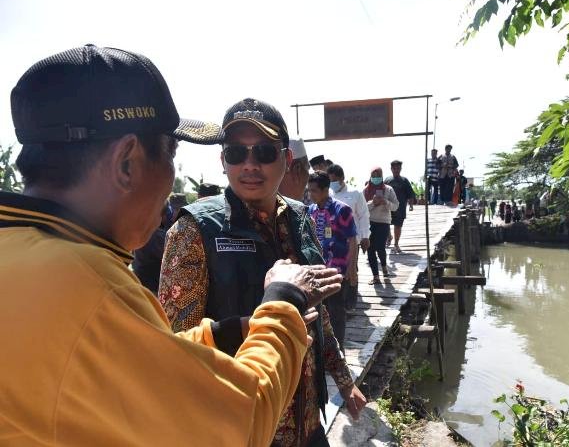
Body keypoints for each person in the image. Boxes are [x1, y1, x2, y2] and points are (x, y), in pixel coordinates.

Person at [0, 44, 343, 447]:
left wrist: (221, 333)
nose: (250, 165)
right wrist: (283, 300)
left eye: (265, 153)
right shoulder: (93, 287)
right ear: (128, 162)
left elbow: (141, 357)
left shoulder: (29, 258)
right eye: (171, 155)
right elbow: (238, 423)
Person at [159, 98, 366, 446]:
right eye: (237, 153)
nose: (250, 165)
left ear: (286, 160)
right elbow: (177, 348)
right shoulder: (194, 230)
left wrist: (344, 380)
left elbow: (317, 312)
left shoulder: (300, 218)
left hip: (308, 420)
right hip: (244, 426)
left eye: (264, 153)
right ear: (223, 160)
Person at [307, 171, 358, 350]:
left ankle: (339, 350)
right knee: (319, 313)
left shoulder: (342, 210)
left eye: (313, 191)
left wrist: (352, 270)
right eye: (309, 190)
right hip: (316, 272)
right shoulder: (311, 210)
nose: (310, 194)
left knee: (336, 312)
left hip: (337, 271)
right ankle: (323, 352)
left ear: (325, 190)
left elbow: (353, 240)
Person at [327, 164, 370, 311]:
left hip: (352, 239)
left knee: (352, 269)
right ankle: (341, 301)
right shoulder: (329, 195)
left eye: (335, 180)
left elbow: (364, 215)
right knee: (337, 270)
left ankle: (351, 300)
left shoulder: (355, 193)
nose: (332, 183)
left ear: (342, 178)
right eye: (330, 180)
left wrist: (365, 236)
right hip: (334, 241)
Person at [363, 167, 399, 284]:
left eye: (378, 175)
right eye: (373, 176)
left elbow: (396, 206)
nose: (376, 178)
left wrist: (386, 202)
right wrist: (373, 203)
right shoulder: (365, 190)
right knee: (370, 249)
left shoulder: (388, 190)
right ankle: (375, 276)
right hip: (369, 222)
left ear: (382, 176)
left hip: (384, 222)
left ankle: (383, 266)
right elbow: (362, 209)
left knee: (380, 247)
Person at [385, 160, 415, 254]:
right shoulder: (387, 180)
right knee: (385, 224)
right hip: (388, 207)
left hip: (400, 208)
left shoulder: (404, 181)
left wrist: (411, 205)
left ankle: (396, 244)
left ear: (401, 169)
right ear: (391, 169)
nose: (396, 170)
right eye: (394, 168)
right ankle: (389, 237)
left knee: (398, 226)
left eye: (398, 168)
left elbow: (410, 194)